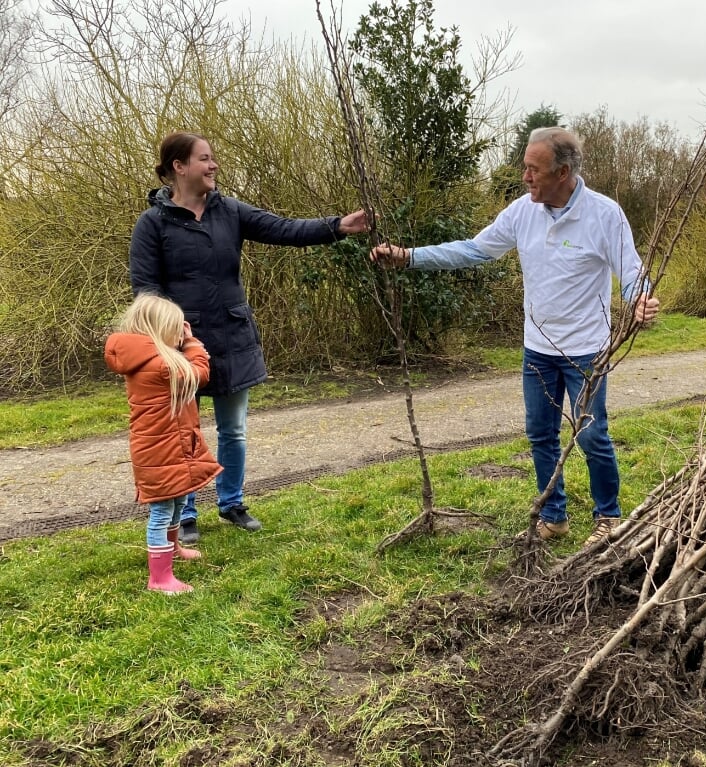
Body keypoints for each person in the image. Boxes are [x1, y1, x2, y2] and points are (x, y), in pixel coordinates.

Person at [371, 126, 660, 545]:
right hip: (537, 351)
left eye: (532, 169)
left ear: (562, 173)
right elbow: (473, 250)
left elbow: (630, 271)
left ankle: (608, 518)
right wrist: (409, 258)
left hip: (586, 352)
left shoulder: (604, 214)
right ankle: (554, 516)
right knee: (540, 434)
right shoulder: (522, 211)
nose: (524, 177)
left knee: (592, 435)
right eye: (524, 167)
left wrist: (640, 300)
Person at [130, 131, 368, 544]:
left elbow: (285, 229)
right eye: (205, 159)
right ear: (178, 167)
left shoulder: (230, 210)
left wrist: (338, 226)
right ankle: (185, 513)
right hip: (179, 346)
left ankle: (232, 504)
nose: (213, 165)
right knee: (183, 432)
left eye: (213, 157)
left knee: (233, 429)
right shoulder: (152, 224)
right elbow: (145, 291)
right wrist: (172, 335)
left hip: (232, 336)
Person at [104, 294, 222, 594]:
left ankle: (173, 549)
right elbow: (200, 374)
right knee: (162, 510)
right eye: (174, 329)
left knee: (179, 499)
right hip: (161, 450)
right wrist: (192, 343)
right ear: (159, 329)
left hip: (168, 446)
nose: (178, 334)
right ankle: (159, 578)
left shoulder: (150, 358)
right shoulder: (160, 364)